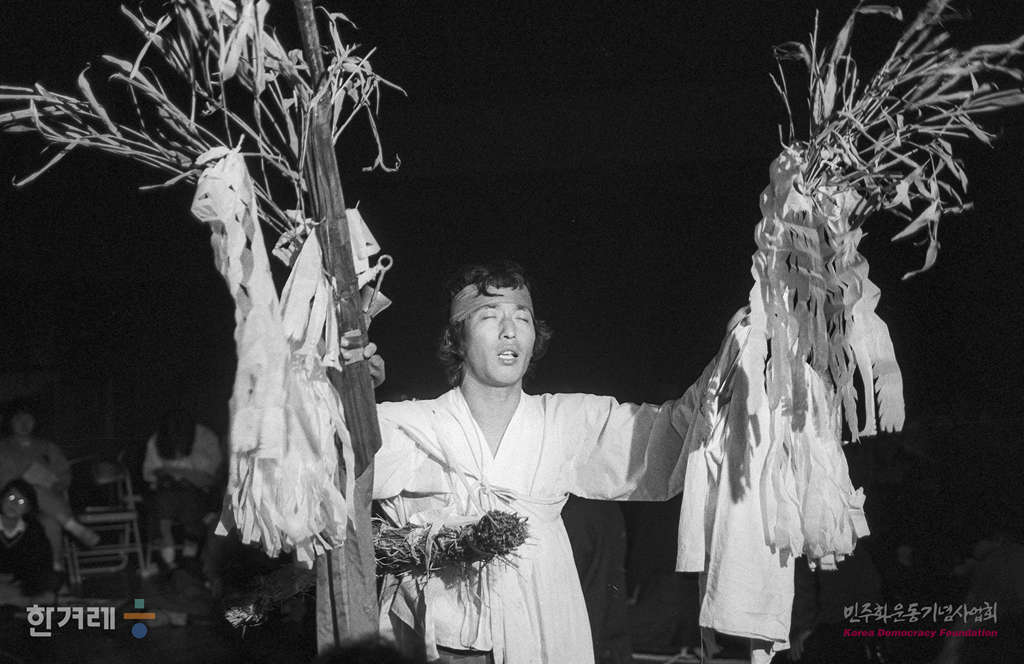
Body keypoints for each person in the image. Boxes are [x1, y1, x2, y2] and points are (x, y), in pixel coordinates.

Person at [365, 261, 715, 664]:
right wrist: (349, 387)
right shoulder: (411, 426)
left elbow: (669, 435)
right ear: (457, 338)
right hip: (435, 646)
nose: (509, 330)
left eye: (522, 318)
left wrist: (730, 366)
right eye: (489, 316)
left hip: (540, 637)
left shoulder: (564, 423)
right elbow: (333, 464)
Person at [0, 404, 99, 584]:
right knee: (25, 487)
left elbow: (64, 476)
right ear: (10, 422)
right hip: (10, 503)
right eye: (18, 419)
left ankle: (55, 573)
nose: (23, 424)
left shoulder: (47, 447)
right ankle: (71, 524)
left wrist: (54, 483)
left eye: (28, 419)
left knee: (50, 523)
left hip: (41, 506)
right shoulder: (3, 447)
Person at [142, 409, 223, 570]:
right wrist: (169, 475)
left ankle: (189, 554)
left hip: (197, 493)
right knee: (163, 500)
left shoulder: (206, 438)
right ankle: (168, 546)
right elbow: (149, 473)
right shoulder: (157, 440)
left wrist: (180, 472)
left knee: (191, 501)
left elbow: (210, 477)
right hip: (166, 493)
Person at [0, 479, 57, 597]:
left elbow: (41, 560)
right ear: (1, 499)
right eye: (11, 498)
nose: (14, 503)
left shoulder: (33, 529)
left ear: (28, 508)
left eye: (21, 501)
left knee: (49, 580)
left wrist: (17, 578)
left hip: (19, 580)